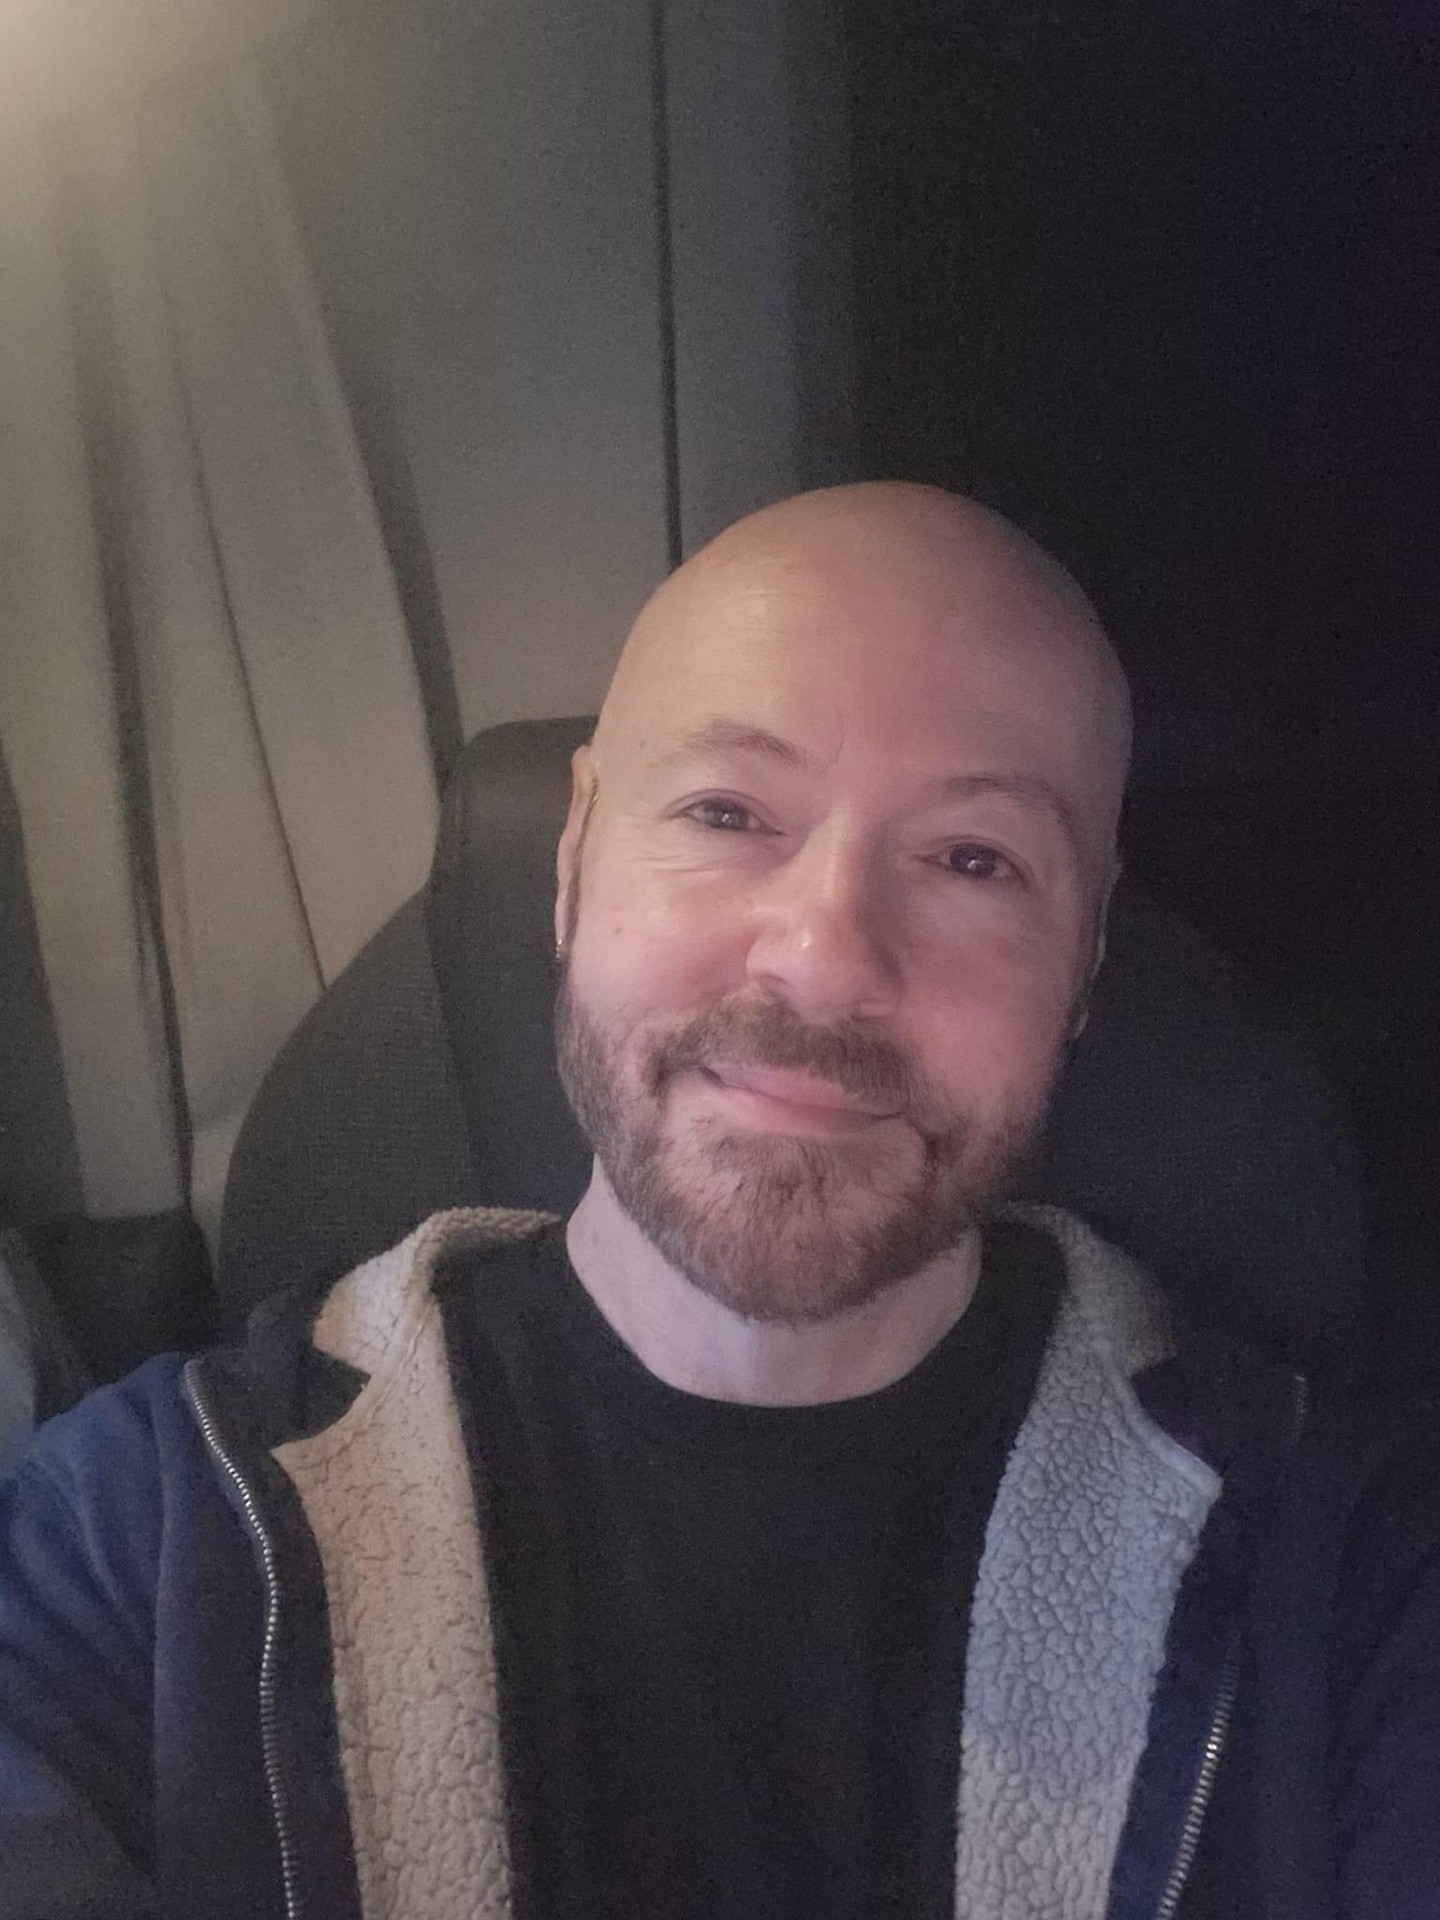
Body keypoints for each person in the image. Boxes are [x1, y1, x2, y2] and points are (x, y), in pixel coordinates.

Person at [0, 483, 1436, 1920]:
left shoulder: (1353, 1574)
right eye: (727, 811)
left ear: (1086, 954)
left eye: (974, 859)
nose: (823, 955)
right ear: (573, 858)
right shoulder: (133, 1545)